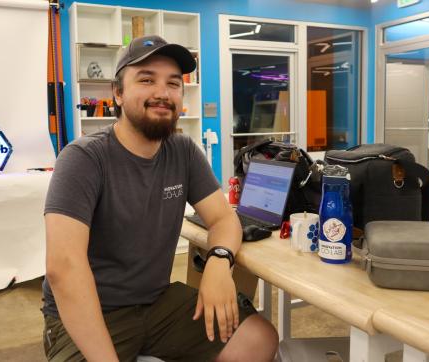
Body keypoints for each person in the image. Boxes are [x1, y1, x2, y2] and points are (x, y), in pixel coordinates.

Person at [42, 35, 278, 362]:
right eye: (146, 80)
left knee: (257, 338)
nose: (162, 93)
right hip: (93, 312)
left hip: (156, 303)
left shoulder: (182, 151)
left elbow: (223, 218)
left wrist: (219, 263)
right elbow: (63, 268)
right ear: (119, 93)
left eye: (173, 83)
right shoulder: (83, 158)